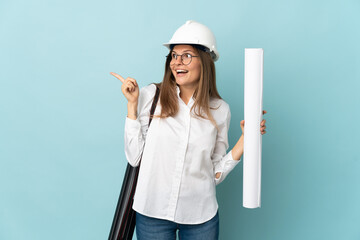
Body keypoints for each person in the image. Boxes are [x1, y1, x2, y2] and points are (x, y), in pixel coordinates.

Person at [110, 20, 267, 240]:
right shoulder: (150, 96)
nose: (177, 62)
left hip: (200, 218)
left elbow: (212, 173)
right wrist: (132, 106)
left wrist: (245, 140)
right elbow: (135, 157)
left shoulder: (220, 110)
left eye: (186, 55)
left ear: (205, 61)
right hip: (152, 213)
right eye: (174, 55)